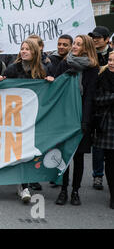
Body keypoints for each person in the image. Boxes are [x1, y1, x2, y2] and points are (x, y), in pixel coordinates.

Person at [0, 39, 54, 203]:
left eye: (27, 49)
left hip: (34, 118)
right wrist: (0, 81)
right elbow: (3, 88)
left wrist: (51, 81)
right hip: (16, 117)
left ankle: (24, 184)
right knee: (17, 150)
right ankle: (21, 183)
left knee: (28, 151)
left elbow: (48, 93)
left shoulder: (43, 70)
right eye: (22, 48)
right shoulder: (13, 68)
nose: (23, 51)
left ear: (35, 52)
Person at [54, 35, 99, 206]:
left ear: (86, 48)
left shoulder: (92, 68)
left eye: (78, 45)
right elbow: (56, 86)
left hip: (81, 115)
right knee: (64, 155)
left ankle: (75, 191)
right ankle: (63, 190)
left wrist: (85, 121)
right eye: (75, 44)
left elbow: (89, 97)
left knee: (78, 156)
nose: (74, 47)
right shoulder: (65, 63)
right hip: (65, 116)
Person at [88, 26, 113, 191]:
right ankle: (98, 176)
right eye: (93, 37)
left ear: (106, 39)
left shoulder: (111, 54)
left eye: (98, 37)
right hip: (100, 111)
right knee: (97, 147)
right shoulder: (90, 55)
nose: (95, 39)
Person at [93, 51, 114, 209]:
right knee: (111, 162)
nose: (111, 62)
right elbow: (96, 99)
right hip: (107, 124)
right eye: (110, 60)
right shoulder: (102, 76)